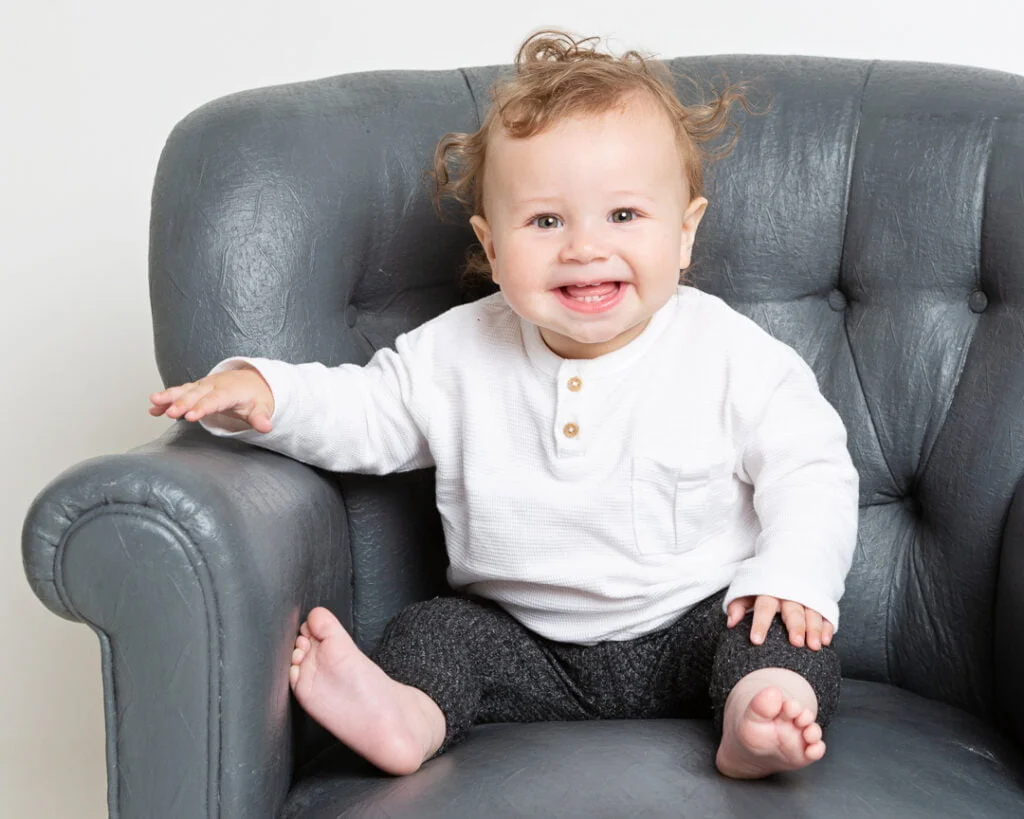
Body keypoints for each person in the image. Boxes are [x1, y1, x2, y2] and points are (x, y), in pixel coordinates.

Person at [149, 30, 859, 781]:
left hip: (688, 625)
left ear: (684, 234)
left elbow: (810, 467)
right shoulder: (456, 352)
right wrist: (267, 393)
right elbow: (365, 408)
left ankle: (757, 714)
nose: (585, 247)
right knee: (432, 631)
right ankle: (407, 720)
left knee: (779, 634)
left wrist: (792, 572)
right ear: (493, 248)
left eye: (623, 216)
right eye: (547, 221)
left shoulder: (729, 352)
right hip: (520, 644)